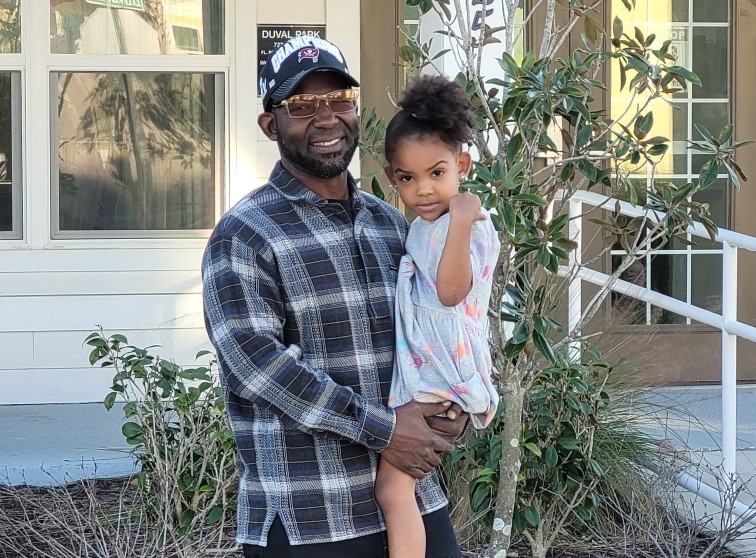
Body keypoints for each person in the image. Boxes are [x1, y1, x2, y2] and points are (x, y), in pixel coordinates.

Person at [201, 36, 468, 558]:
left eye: (339, 98)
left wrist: (452, 399)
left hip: (412, 498)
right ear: (269, 124)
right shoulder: (245, 235)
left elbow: (436, 326)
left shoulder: (394, 225)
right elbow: (258, 367)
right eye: (300, 105)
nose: (325, 117)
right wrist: (387, 429)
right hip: (312, 515)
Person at [375, 75, 501, 558]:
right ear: (393, 178)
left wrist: (464, 218)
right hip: (429, 360)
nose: (423, 189)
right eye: (408, 178)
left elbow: (451, 293)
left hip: (441, 367)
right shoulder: (427, 225)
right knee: (393, 487)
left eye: (437, 173)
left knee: (392, 489)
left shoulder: (464, 224)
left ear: (462, 166)